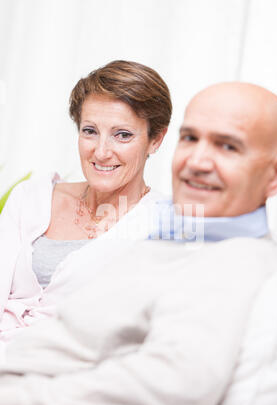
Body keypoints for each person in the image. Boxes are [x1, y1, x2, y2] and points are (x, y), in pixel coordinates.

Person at [0, 82, 277, 405]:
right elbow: (73, 335)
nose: (197, 161)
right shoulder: (173, 235)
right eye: (190, 138)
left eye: (227, 146)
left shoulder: (240, 261)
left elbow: (170, 394)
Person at [0, 60, 171, 341]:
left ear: (155, 139)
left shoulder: (168, 225)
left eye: (123, 135)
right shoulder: (29, 198)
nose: (101, 152)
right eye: (89, 131)